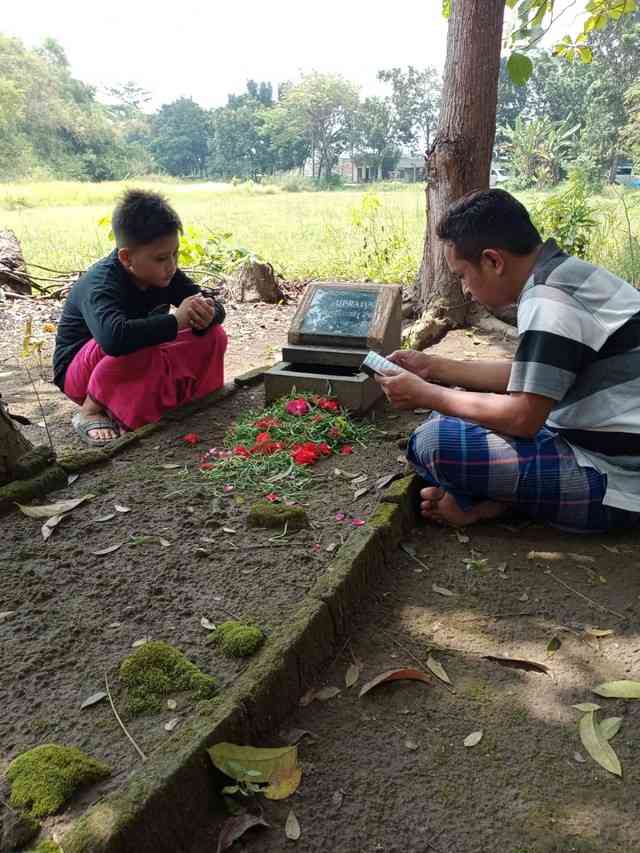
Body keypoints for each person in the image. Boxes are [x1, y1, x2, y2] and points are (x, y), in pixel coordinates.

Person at [377, 189, 640, 533]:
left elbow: (523, 418)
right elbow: (538, 376)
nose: (466, 290)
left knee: (434, 441)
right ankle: (489, 503)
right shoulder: (563, 276)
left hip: (618, 484)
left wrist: (427, 393)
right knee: (453, 411)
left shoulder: (550, 302)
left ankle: (489, 503)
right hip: (598, 445)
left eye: (461, 275)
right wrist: (433, 368)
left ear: (493, 261)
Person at [53, 189, 227, 446]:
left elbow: (206, 304)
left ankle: (196, 398)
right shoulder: (101, 284)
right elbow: (114, 340)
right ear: (126, 258)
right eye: (161, 258)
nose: (171, 265)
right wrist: (177, 321)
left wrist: (209, 314)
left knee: (213, 335)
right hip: (81, 373)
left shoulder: (165, 273)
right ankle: (91, 411)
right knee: (140, 343)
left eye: (175, 254)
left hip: (135, 357)